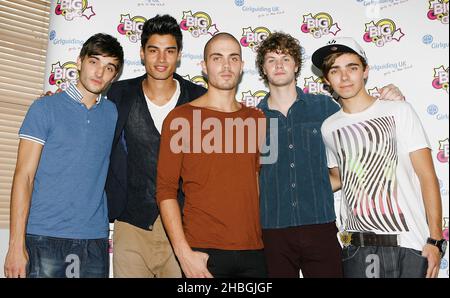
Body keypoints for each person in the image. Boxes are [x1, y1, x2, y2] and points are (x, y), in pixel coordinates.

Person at [255, 32, 405, 278]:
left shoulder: (325, 108)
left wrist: (391, 99)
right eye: (271, 59)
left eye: (285, 58)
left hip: (321, 225)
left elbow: (361, 130)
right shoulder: (253, 119)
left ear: (296, 65)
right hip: (272, 229)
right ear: (263, 68)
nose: (279, 65)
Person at [313, 37, 446, 278]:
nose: (344, 78)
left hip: (408, 243)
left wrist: (436, 241)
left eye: (352, 68)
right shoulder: (329, 127)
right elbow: (339, 176)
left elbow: (427, 177)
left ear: (365, 71)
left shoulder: (399, 111)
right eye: (335, 70)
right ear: (326, 79)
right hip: (358, 248)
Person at [4, 33, 123, 278]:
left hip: (93, 239)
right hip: (43, 236)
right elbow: (23, 177)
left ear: (115, 75)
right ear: (79, 62)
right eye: (94, 62)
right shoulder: (44, 108)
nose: (99, 73)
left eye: (108, 67)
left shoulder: (112, 114)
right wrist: (15, 246)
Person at [156, 33, 267, 278]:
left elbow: (260, 183)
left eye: (233, 58)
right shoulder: (180, 119)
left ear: (241, 66)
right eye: (217, 58)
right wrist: (184, 253)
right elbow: (165, 190)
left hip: (255, 252)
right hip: (202, 255)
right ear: (204, 67)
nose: (226, 66)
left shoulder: (258, 119)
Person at [106, 15, 206, 278]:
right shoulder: (119, 94)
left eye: (169, 51)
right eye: (153, 50)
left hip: (184, 227)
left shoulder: (199, 98)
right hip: (131, 223)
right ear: (142, 53)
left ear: (179, 55)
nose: (161, 59)